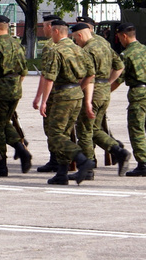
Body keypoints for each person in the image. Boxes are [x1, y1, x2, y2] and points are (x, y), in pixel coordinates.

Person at [36, 20, 95, 185]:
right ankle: (62, 173)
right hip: (76, 93)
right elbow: (91, 73)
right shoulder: (79, 49)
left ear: (55, 32)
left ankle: (82, 159)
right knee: (65, 133)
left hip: (62, 94)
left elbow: (49, 78)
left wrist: (44, 101)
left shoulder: (56, 51)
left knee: (55, 134)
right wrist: (79, 88)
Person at [70, 21, 132, 178]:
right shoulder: (104, 45)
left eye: (75, 39)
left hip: (92, 92)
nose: (76, 42)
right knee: (95, 128)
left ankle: (87, 168)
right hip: (104, 91)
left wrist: (87, 100)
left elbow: (88, 77)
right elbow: (119, 67)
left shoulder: (87, 50)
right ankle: (119, 151)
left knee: (84, 130)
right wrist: (108, 83)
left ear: (79, 35)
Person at [0, 15, 31, 175]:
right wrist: (15, 86)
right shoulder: (17, 45)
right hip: (15, 90)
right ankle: (21, 149)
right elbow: (24, 71)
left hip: (0, 91)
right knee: (4, 123)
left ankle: (1, 165)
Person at [112, 23, 146, 176]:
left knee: (136, 129)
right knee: (142, 126)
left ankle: (142, 164)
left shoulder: (126, 55)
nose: (119, 41)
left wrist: (105, 92)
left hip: (137, 92)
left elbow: (118, 80)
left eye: (119, 37)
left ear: (124, 36)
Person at [32, 14, 62, 172]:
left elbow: (46, 75)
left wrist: (40, 97)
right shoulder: (68, 44)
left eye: (43, 26)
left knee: (51, 128)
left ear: (50, 27)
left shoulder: (50, 47)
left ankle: (55, 159)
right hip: (69, 92)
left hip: (54, 93)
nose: (42, 30)